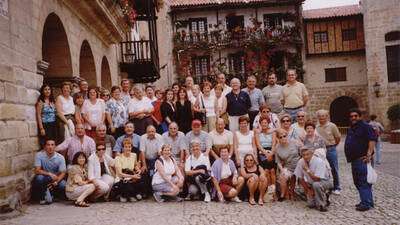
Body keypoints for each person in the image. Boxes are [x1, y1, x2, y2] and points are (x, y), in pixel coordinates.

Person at [345, 108, 376, 211]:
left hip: (362, 159)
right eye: (351, 116)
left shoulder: (366, 127)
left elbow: (372, 140)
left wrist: (369, 154)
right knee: (357, 181)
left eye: (355, 116)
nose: (353, 118)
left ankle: (366, 203)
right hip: (354, 159)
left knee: (363, 181)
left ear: (360, 116)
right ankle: (368, 201)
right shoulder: (351, 128)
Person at [294, 147, 333, 212]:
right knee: (310, 205)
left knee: (316, 185)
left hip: (325, 181)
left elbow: (317, 179)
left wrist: (307, 170)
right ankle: (322, 196)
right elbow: (300, 178)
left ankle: (322, 205)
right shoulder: (301, 162)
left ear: (312, 154)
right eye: (303, 155)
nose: (306, 157)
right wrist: (308, 190)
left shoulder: (319, 161)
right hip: (311, 183)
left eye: (307, 154)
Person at [31, 138, 66, 204]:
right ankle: (43, 195)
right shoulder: (39, 155)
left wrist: (56, 182)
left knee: (63, 185)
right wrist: (49, 174)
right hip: (44, 178)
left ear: (55, 147)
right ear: (45, 147)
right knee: (39, 178)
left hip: (55, 178)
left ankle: (53, 193)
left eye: (52, 145)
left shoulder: (60, 157)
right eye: (48, 145)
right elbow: (37, 170)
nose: (50, 147)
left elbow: (63, 173)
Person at [316, 109, 341, 194]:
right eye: (319, 116)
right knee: (323, 168)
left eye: (323, 116)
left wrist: (333, 146)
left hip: (331, 149)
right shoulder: (316, 127)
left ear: (327, 116)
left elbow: (338, 137)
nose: (321, 118)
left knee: (334, 168)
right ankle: (326, 186)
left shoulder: (332, 126)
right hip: (321, 150)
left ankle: (337, 187)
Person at [114, 138, 146, 202]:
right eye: (126, 147)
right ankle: (125, 195)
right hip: (122, 177)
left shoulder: (134, 155)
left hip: (131, 174)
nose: (128, 148)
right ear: (122, 148)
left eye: (129, 147)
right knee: (124, 199)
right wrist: (133, 176)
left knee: (142, 178)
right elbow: (119, 173)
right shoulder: (118, 158)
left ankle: (132, 194)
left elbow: (135, 165)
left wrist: (138, 170)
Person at [275, 129, 301, 201]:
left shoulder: (295, 143)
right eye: (280, 137)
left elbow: (302, 152)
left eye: (284, 136)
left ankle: (292, 192)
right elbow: (278, 161)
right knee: (282, 176)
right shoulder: (277, 147)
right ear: (278, 138)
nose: (283, 138)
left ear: (287, 136)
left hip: (299, 166)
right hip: (288, 166)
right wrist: (282, 169)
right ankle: (283, 194)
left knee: (295, 177)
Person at [254, 116, 277, 195]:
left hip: (271, 151)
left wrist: (271, 153)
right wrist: (265, 153)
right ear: (260, 124)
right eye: (262, 123)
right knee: (266, 170)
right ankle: (267, 189)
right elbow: (258, 145)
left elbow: (274, 144)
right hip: (262, 152)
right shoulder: (258, 133)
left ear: (268, 123)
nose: (264, 124)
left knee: (273, 171)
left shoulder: (273, 132)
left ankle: (273, 189)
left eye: (265, 123)